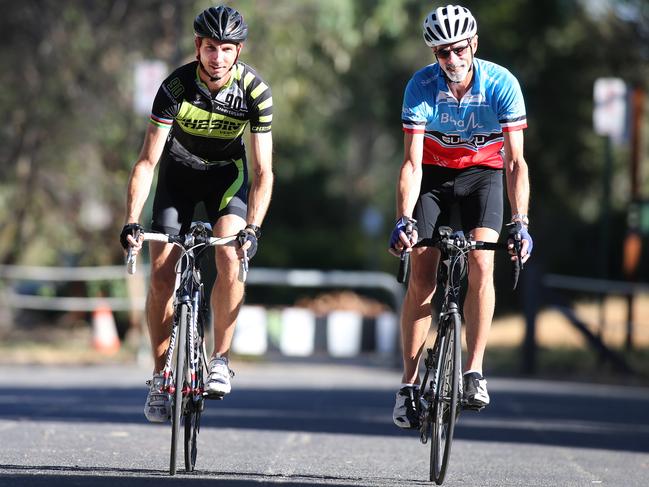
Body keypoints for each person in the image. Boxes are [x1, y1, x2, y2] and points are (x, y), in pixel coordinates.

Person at [120, 5, 273, 422]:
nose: (217, 57)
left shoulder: (255, 91)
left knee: (229, 254)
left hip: (228, 178)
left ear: (238, 51)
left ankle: (221, 358)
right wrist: (132, 220)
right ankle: (159, 377)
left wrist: (253, 229)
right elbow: (147, 162)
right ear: (197, 47)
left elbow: (262, 171)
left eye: (226, 48)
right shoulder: (175, 87)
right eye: (210, 47)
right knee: (162, 276)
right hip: (178, 177)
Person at [389, 4, 533, 429]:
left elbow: (515, 163)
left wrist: (521, 221)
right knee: (422, 271)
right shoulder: (420, 86)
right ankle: (408, 385)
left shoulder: (502, 84)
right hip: (432, 175)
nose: (451, 60)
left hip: (484, 175)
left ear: (473, 44)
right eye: (441, 53)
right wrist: (404, 219)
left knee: (482, 260)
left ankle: (474, 372)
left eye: (457, 49)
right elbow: (412, 164)